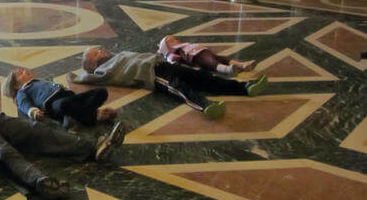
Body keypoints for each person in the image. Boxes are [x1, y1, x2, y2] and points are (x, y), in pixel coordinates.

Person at [68, 46, 268, 119]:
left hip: (162, 64)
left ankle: (244, 87)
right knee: (179, 88)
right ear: (93, 64)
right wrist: (77, 76)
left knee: (204, 78)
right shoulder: (103, 70)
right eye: (96, 53)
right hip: (152, 74)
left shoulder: (119, 54)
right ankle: (204, 105)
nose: (101, 51)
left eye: (99, 49)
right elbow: (91, 77)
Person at [1, 68, 117, 129]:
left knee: (101, 91)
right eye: (20, 74)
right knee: (64, 105)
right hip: (53, 103)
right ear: (15, 85)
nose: (25, 71)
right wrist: (33, 112)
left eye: (23, 70)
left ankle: (90, 116)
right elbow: (23, 104)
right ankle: (94, 115)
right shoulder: (22, 91)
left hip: (69, 96)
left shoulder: (38, 81)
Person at [158, 35, 255, 75]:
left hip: (202, 51)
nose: (176, 40)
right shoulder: (174, 52)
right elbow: (171, 60)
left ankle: (242, 65)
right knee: (211, 62)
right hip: (195, 56)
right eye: (172, 40)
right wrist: (172, 62)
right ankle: (227, 70)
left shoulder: (182, 45)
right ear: (168, 46)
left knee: (220, 58)